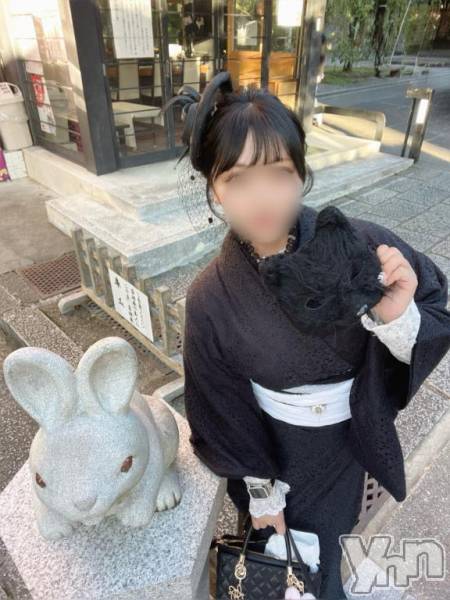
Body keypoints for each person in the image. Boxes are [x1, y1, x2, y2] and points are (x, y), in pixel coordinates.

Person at [161, 71, 450, 599]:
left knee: (333, 544)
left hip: (350, 437)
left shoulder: (361, 245)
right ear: (214, 190)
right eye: (237, 179)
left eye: (278, 173)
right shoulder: (210, 297)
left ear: (302, 173)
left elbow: (432, 302)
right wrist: (262, 496)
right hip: (276, 455)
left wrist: (398, 319)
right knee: (286, 564)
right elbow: (220, 406)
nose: (261, 198)